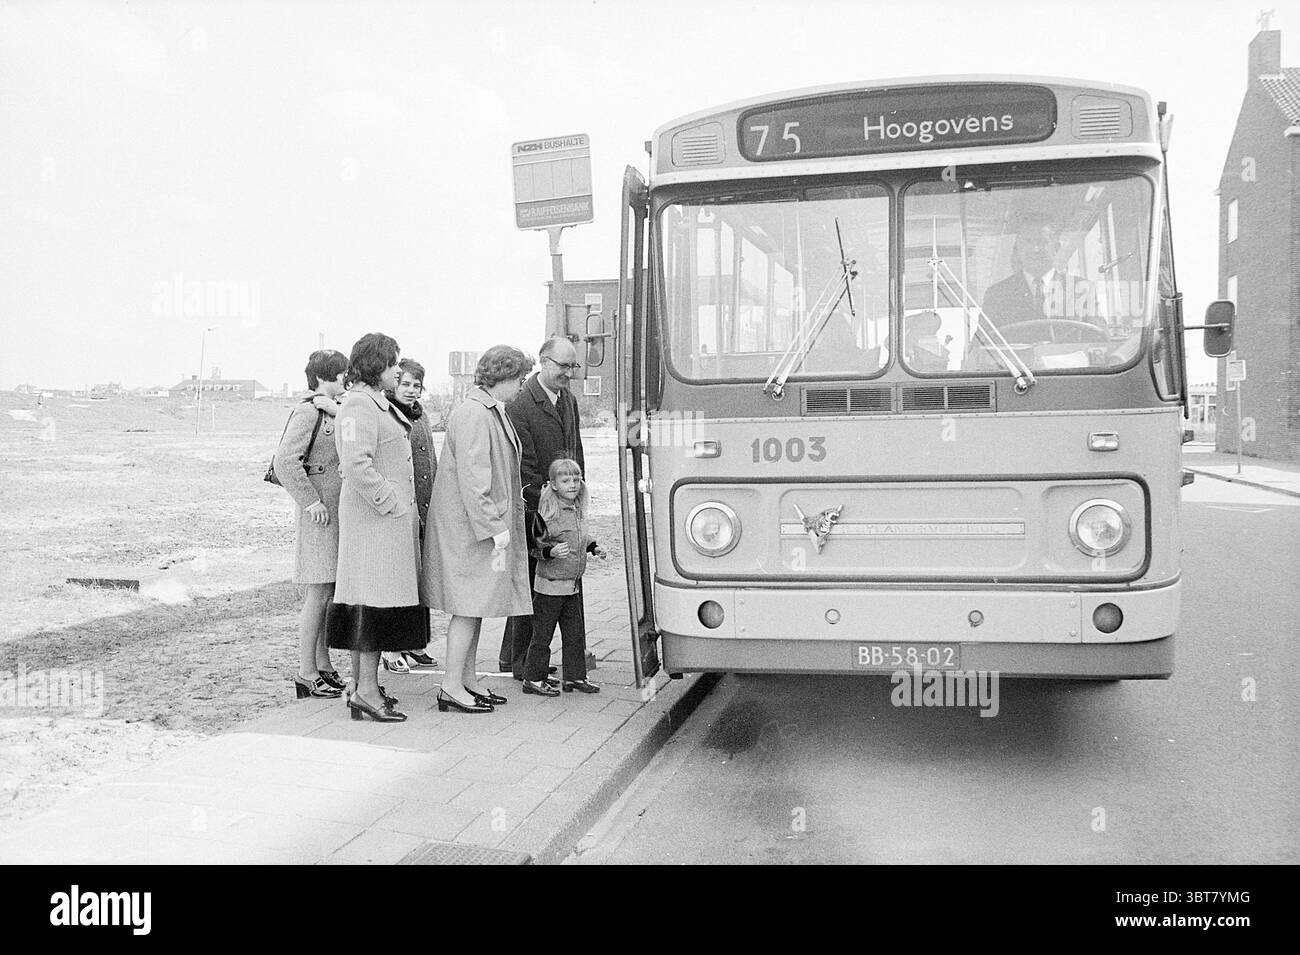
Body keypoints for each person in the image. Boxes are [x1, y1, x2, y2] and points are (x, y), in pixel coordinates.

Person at [421, 345, 534, 714]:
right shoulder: (474, 413)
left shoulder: (485, 410)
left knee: (475, 606)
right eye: (518, 379)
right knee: (467, 608)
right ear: (501, 377)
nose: (521, 386)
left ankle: (466, 680)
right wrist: (493, 526)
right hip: (471, 531)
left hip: (476, 528)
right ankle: (452, 686)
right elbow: (474, 479)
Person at [325, 332, 427, 723]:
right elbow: (355, 464)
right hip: (374, 524)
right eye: (391, 364)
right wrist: (392, 503)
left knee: (377, 606)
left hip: (384, 526)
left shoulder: (375, 404)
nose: (397, 370)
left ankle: (365, 687)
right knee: (370, 607)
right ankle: (365, 691)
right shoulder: (357, 406)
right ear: (375, 366)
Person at [498, 336, 586, 678]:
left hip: (564, 505)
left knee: (546, 585)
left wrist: (577, 496)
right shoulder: (520, 404)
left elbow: (575, 453)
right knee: (533, 584)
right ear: (543, 361)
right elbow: (524, 466)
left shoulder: (568, 400)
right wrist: (549, 507)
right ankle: (519, 661)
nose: (569, 373)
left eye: (572, 367)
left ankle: (515, 655)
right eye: (563, 366)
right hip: (537, 511)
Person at [277, 349, 349, 699]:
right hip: (320, 513)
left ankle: (323, 664)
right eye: (339, 375)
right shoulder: (308, 411)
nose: (345, 380)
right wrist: (311, 502)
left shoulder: (331, 409)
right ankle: (306, 672)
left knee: (328, 591)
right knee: (318, 592)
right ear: (323, 377)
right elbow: (285, 463)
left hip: (333, 512)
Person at [520, 459, 606, 697]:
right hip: (549, 587)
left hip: (571, 586)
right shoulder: (548, 514)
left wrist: (594, 547)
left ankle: (575, 676)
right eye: (566, 480)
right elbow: (534, 546)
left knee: (574, 635)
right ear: (554, 484)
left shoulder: (577, 509)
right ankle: (533, 679)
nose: (572, 485)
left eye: (576, 479)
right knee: (542, 636)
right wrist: (550, 552)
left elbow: (580, 537)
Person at [382, 357, 439, 673]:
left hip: (424, 508)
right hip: (400, 509)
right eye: (405, 384)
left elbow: (430, 460)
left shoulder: (422, 416)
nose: (411, 390)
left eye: (417, 385)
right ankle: (391, 647)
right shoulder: (387, 415)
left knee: (419, 579)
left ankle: (414, 642)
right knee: (397, 579)